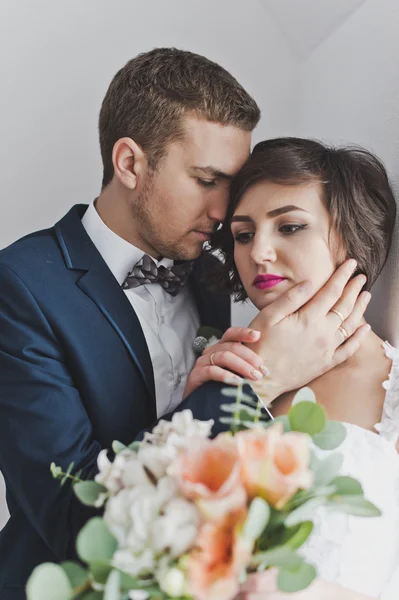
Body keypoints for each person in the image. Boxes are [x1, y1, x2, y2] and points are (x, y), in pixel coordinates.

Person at [0, 49, 367, 597]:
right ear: (129, 163)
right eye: (206, 179)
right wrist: (253, 383)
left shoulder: (210, 275)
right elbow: (73, 516)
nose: (225, 211)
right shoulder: (20, 286)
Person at [204, 137, 399, 600]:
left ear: (351, 235)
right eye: (244, 234)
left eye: (289, 227)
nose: (259, 253)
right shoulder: (220, 373)